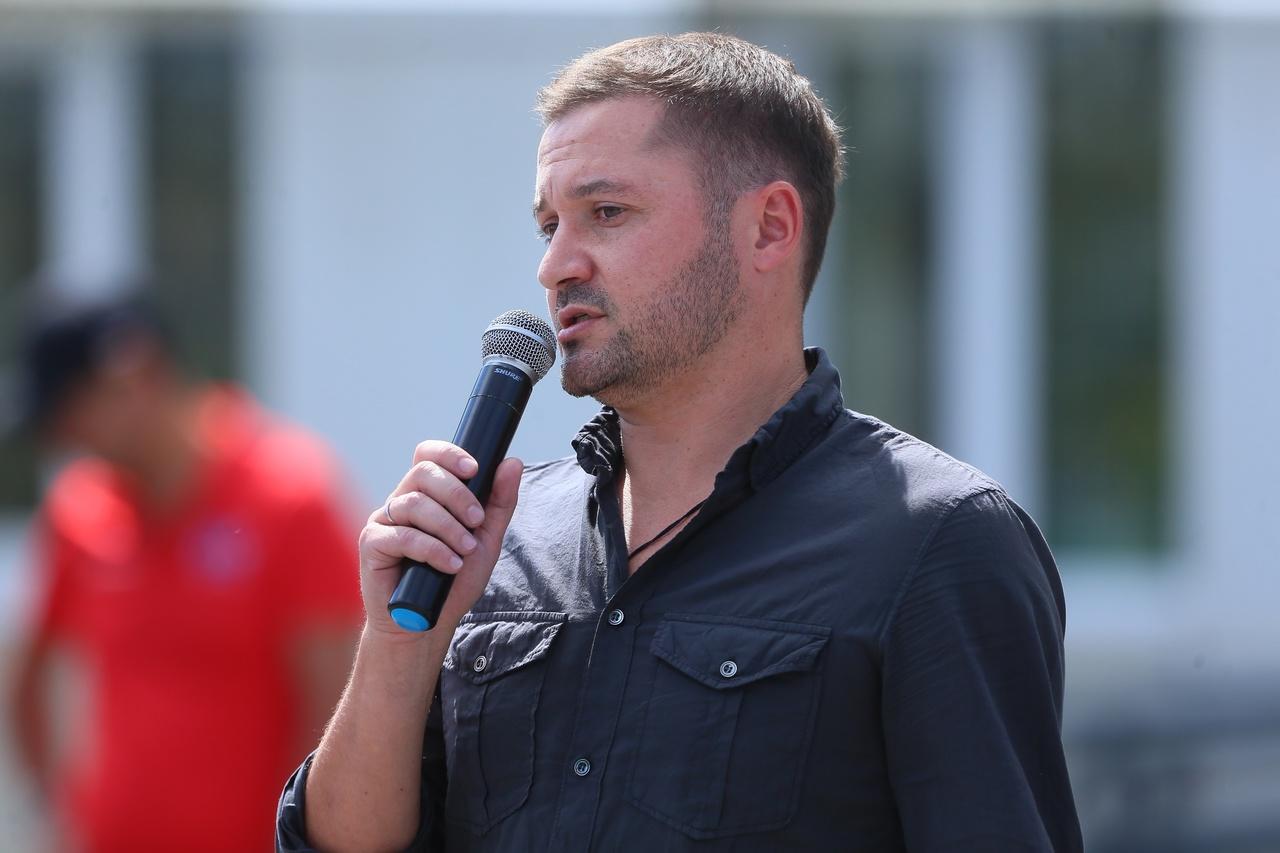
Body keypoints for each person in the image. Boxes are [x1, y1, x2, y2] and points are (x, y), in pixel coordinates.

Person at [277, 33, 1083, 852]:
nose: (555, 265)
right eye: (549, 225)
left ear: (769, 227)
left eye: (606, 213)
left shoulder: (937, 541)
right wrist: (397, 647)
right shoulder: (492, 540)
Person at [6, 292, 364, 852]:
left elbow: (336, 701)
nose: (63, 439)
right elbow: (28, 676)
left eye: (69, 413)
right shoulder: (78, 508)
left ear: (132, 374)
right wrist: (55, 807)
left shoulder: (290, 496)